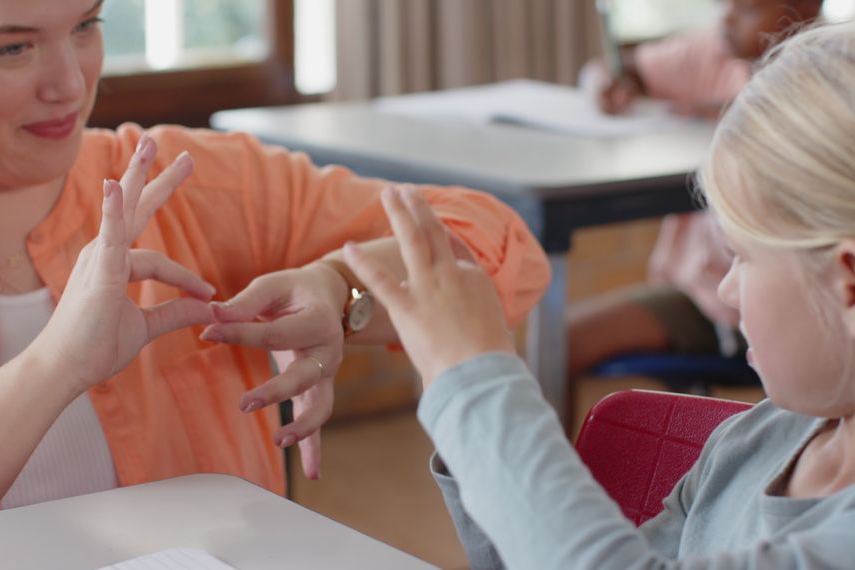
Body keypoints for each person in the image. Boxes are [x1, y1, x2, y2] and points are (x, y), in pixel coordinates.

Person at [0, 0, 551, 551]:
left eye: (86, 26)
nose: (69, 84)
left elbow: (501, 246)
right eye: (11, 47)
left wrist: (340, 286)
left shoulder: (198, 182)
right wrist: (54, 367)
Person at [345, 22, 855, 569]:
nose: (726, 290)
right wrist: (455, 388)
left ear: (847, 282)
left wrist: (472, 381)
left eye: (742, 257)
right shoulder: (750, 443)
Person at [569, 0, 822, 385]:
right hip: (699, 295)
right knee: (561, 341)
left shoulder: (828, 83)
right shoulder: (714, 51)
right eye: (721, 4)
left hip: (770, 308)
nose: (725, 18)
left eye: (746, 8)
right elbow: (617, 66)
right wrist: (605, 81)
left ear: (807, 7)